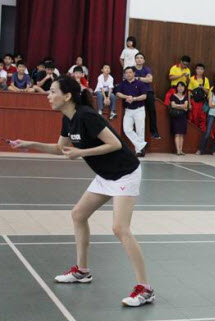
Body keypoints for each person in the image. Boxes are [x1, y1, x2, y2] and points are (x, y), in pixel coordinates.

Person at [10, 76, 154, 307]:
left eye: (53, 91)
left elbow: (115, 144)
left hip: (124, 172)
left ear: (67, 96)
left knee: (120, 228)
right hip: (106, 175)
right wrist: (29, 144)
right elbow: (60, 149)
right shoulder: (68, 119)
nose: (48, 95)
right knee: (78, 214)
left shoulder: (86, 115)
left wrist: (81, 153)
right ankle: (82, 271)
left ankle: (145, 289)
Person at [116, 66, 148, 157]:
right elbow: (118, 93)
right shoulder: (123, 83)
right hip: (128, 110)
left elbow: (144, 96)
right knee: (127, 129)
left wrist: (134, 98)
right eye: (126, 73)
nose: (128, 74)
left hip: (139, 110)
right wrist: (127, 97)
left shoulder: (140, 83)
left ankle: (139, 151)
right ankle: (141, 145)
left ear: (134, 73)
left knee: (140, 131)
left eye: (130, 72)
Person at [197, 80, 215, 154]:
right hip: (212, 114)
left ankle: (214, 150)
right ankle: (201, 149)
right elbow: (210, 105)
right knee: (207, 132)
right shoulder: (212, 93)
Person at [134, 53, 160, 139]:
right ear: (135, 60)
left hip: (148, 92)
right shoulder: (132, 69)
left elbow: (150, 80)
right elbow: (131, 79)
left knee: (152, 111)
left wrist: (138, 78)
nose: (139, 59)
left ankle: (154, 132)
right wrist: (143, 79)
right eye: (137, 58)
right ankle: (137, 132)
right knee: (139, 114)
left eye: (141, 58)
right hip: (137, 93)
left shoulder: (147, 69)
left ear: (144, 60)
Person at [188, 64, 210, 131]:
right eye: (198, 69)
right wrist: (189, 104)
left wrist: (202, 87)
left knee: (202, 119)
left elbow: (208, 92)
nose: (199, 71)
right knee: (192, 118)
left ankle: (200, 136)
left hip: (202, 102)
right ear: (195, 70)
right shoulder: (191, 78)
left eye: (201, 69)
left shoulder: (206, 79)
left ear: (203, 70)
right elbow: (189, 92)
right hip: (193, 101)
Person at [169, 82, 189, 155]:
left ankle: (181, 150)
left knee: (182, 134)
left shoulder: (185, 97)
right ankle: (178, 150)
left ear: (184, 88)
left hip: (183, 117)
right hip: (175, 117)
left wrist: (179, 106)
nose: (180, 88)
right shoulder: (173, 96)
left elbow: (186, 106)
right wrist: (182, 106)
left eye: (182, 86)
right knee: (177, 134)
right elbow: (173, 105)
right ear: (176, 87)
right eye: (179, 86)